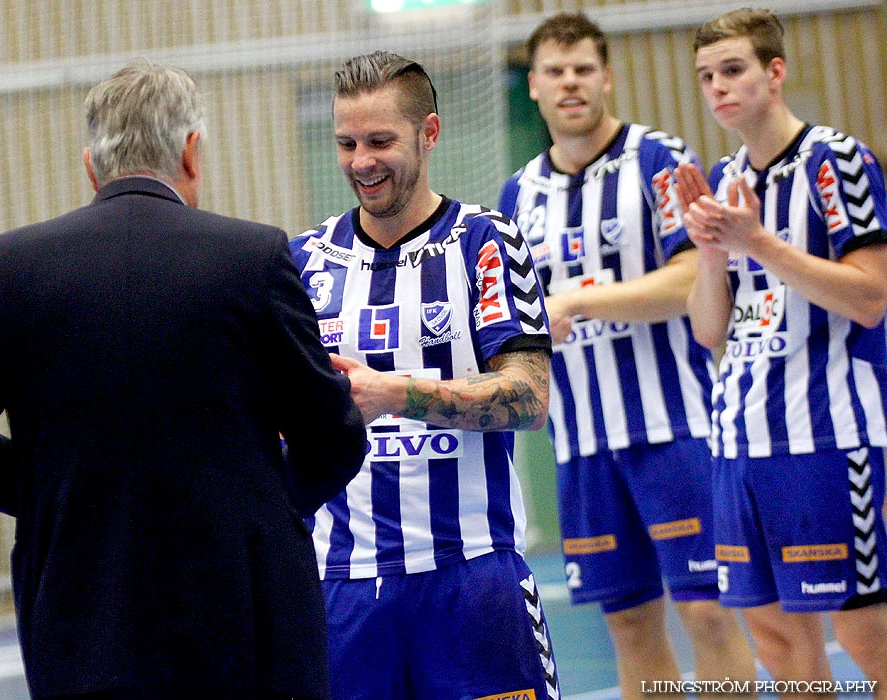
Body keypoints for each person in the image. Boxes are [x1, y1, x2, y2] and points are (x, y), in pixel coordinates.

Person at [0, 61, 367, 700]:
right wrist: (261, 501)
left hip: (82, 621)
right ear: (190, 151)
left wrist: (60, 494)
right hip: (246, 618)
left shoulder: (11, 267)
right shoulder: (253, 258)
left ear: (91, 164)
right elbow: (335, 436)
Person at [498, 12, 756, 697]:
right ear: (534, 88)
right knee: (631, 627)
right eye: (554, 71)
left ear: (606, 77)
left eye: (583, 68)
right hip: (584, 447)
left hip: (677, 430)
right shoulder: (517, 196)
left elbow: (693, 280)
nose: (570, 82)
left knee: (706, 614)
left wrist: (582, 300)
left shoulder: (659, 161)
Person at [288, 51, 560, 700]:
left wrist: (395, 393)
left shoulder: (484, 242)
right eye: (346, 143)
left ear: (428, 132)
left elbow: (529, 396)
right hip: (343, 588)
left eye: (380, 140)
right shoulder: (302, 261)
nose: (361, 161)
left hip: (472, 576)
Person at [675, 7, 887, 694]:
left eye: (732, 70)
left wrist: (758, 243)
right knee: (770, 636)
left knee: (863, 633)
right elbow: (709, 330)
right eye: (706, 76)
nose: (717, 88)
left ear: (774, 72)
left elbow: (868, 295)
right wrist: (710, 252)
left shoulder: (837, 160)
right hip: (739, 443)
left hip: (826, 438)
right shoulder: (724, 173)